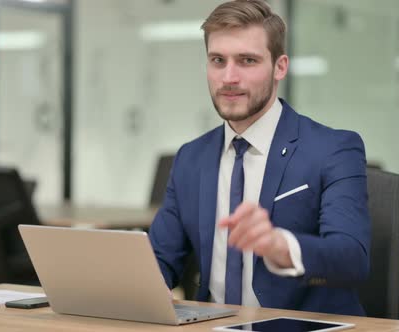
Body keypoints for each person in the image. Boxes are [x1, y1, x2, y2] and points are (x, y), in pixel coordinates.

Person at [148, 0, 370, 316]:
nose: (228, 77)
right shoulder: (190, 158)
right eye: (217, 60)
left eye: (247, 60)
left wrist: (280, 246)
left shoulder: (333, 149)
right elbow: (161, 257)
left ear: (280, 66)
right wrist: (143, 283)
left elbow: (352, 258)